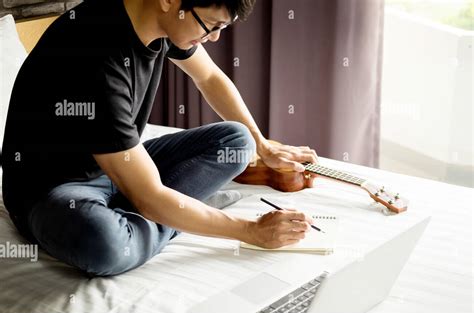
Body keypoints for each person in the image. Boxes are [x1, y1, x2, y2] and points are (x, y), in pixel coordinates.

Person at [2, 0, 318, 277]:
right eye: (211, 25)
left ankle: (165, 213)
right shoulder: (96, 59)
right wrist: (249, 231)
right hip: (55, 191)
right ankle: (171, 214)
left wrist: (262, 145)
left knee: (237, 142)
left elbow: (208, 76)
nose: (214, 37)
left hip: (120, 165)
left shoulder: (156, 20)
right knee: (106, 245)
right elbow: (149, 197)